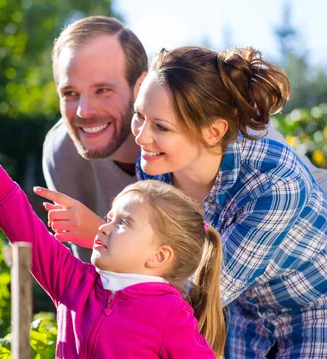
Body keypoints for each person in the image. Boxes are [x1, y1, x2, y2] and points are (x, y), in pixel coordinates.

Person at [46, 45, 327, 359]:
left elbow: (197, 289)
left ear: (213, 131)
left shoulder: (275, 184)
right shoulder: (156, 165)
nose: (142, 137)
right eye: (139, 116)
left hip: (313, 321)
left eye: (161, 126)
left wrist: (100, 237)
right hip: (245, 326)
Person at [0, 103, 231, 359]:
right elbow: (18, 220)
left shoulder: (169, 314)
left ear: (159, 256)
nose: (104, 226)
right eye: (110, 217)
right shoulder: (73, 282)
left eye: (123, 222)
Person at [42, 16, 327, 262]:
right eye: (69, 93)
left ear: (141, 85)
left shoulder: (244, 143)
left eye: (102, 89)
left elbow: (205, 286)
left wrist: (103, 233)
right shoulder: (64, 152)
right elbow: (93, 275)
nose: (84, 111)